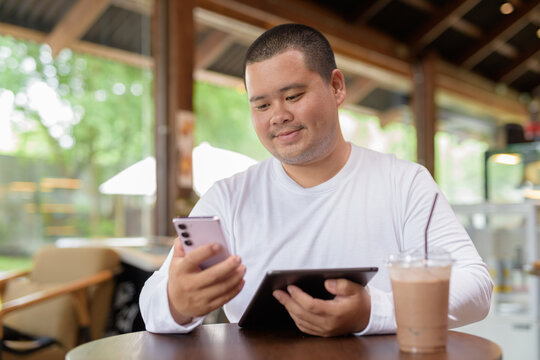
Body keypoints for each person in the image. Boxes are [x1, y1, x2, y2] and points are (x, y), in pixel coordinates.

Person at [139, 23, 493, 337]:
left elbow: (475, 287)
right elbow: (152, 305)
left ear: (336, 87)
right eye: (261, 106)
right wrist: (177, 301)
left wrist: (372, 312)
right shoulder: (228, 198)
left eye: (293, 96)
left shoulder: (404, 183)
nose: (279, 116)